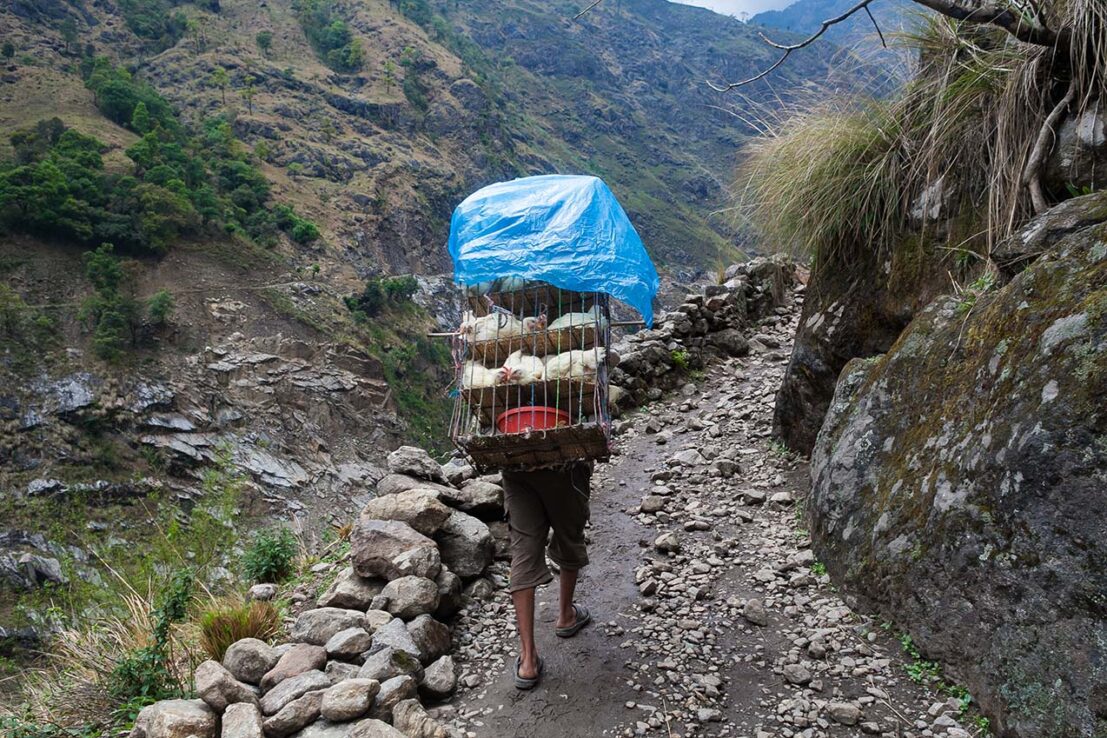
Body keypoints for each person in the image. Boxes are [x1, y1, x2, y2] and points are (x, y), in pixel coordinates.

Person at [501, 460, 594, 689]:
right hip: (565, 466)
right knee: (568, 536)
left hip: (517, 466)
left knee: (523, 553)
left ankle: (528, 661)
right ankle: (566, 615)